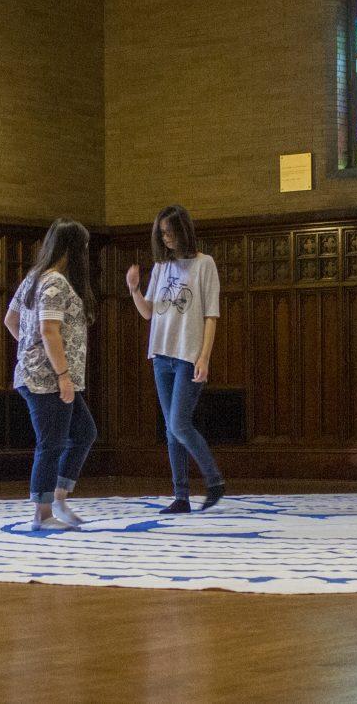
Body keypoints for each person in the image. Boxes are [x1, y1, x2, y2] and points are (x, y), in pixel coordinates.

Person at [125, 205, 225, 513]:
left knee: (180, 423)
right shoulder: (160, 267)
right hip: (161, 355)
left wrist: (204, 357)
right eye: (162, 234)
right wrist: (134, 290)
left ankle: (214, 481)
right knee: (170, 428)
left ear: (183, 231)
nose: (166, 239)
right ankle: (181, 495)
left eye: (170, 233)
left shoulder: (204, 264)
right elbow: (148, 313)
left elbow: (211, 315)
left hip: (187, 354)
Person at [5, 218, 98, 531]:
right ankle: (42, 514)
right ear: (73, 249)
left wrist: (28, 350)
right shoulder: (55, 282)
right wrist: (61, 373)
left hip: (38, 374)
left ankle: (58, 495)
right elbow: (49, 329)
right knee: (51, 443)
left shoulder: (34, 277)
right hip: (48, 380)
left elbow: (11, 320)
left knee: (83, 432)